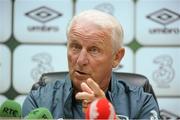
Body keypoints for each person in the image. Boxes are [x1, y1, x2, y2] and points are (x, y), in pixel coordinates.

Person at [22, 9, 160, 119]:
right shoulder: (39, 101)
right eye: (75, 47)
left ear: (117, 58)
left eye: (94, 50)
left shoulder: (141, 103)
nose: (81, 60)